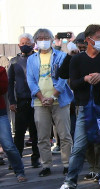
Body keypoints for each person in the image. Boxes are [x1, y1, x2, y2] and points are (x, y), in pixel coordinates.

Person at [55, 24, 100, 189]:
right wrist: (85, 78)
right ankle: (70, 182)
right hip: (85, 107)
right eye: (98, 38)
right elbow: (73, 83)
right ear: (88, 39)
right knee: (79, 146)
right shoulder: (77, 59)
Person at [26, 28, 74, 177]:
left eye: (46, 38)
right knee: (42, 136)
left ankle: (67, 164)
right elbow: (31, 80)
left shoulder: (61, 56)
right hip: (40, 102)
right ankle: (46, 165)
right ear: (36, 41)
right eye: (40, 38)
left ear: (52, 39)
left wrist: (53, 96)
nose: (43, 41)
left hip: (60, 101)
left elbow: (63, 78)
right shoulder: (31, 59)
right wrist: (41, 97)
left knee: (65, 135)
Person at [8, 33, 41, 168]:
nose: (25, 45)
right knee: (19, 133)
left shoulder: (38, 58)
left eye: (28, 43)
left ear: (33, 44)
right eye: (22, 43)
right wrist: (12, 101)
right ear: (18, 45)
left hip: (36, 100)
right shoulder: (14, 62)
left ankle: (36, 159)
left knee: (35, 132)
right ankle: (17, 161)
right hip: (21, 101)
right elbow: (10, 83)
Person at [0, 65, 27, 182]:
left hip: (0, 113)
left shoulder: (1, 70)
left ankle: (19, 171)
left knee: (8, 145)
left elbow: (3, 88)